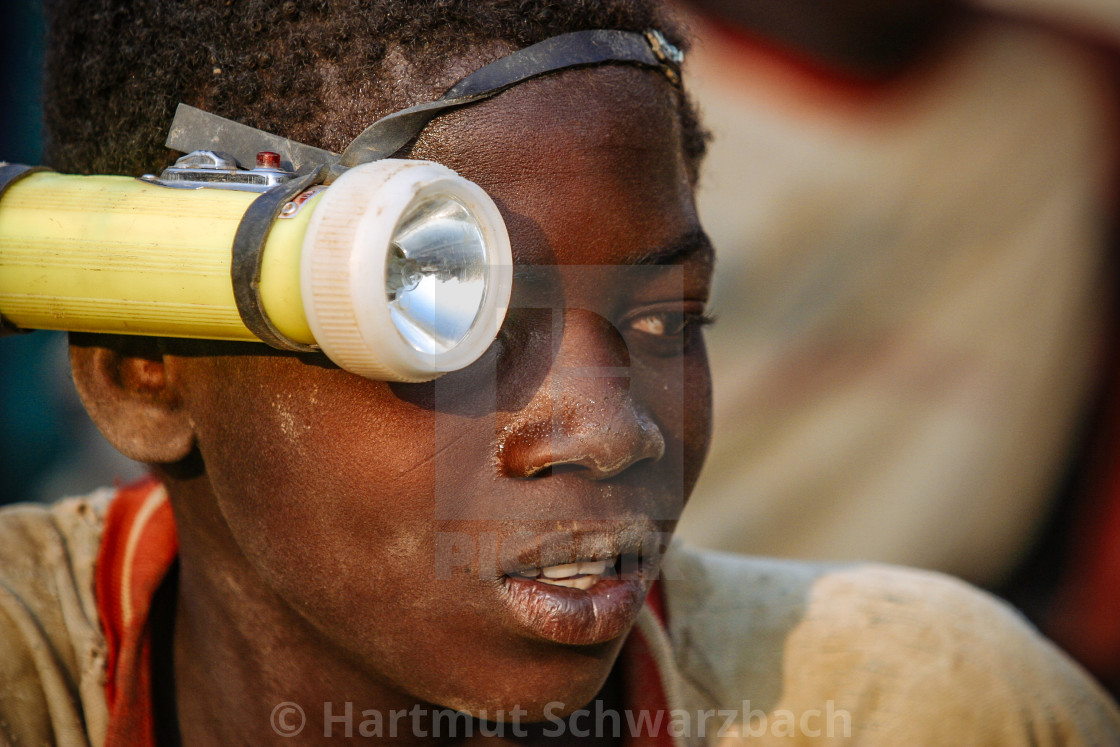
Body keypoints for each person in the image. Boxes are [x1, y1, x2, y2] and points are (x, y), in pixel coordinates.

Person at [1, 0, 1117, 744]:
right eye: (445, 314)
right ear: (143, 372)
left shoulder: (922, 704)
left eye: (667, 319)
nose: (611, 428)